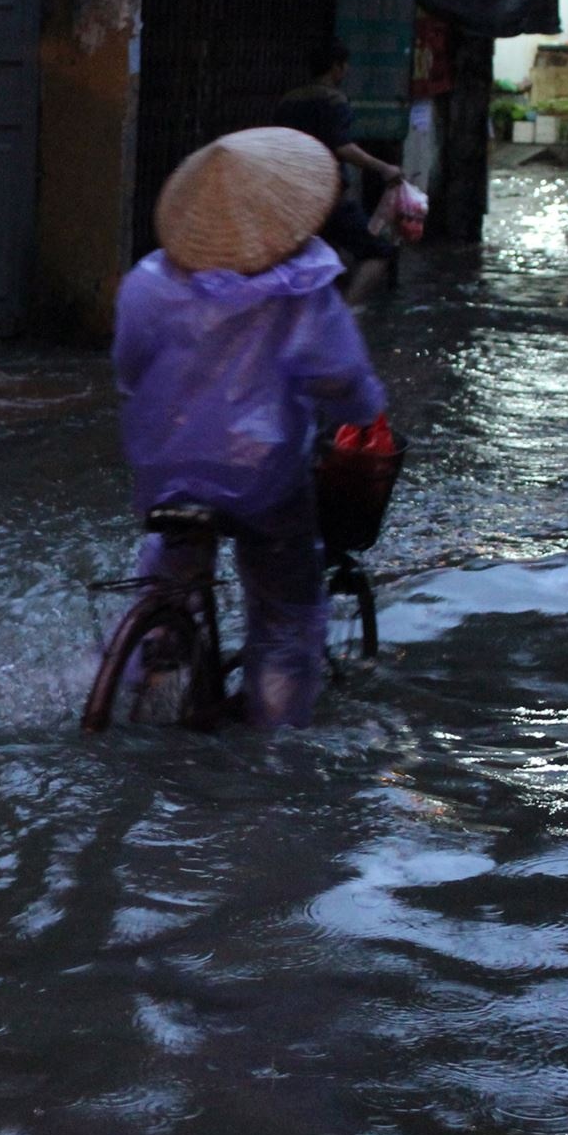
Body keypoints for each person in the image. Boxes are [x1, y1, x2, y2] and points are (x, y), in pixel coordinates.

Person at [112, 127, 386, 728]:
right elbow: (344, 378)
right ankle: (273, 738)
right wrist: (363, 415)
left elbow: (128, 369)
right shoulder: (302, 288)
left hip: (170, 471)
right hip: (264, 476)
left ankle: (147, 649)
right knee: (286, 606)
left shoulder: (149, 282)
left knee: (168, 554)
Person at [273, 38, 406, 303]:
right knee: (379, 251)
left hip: (291, 196)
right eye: (344, 66)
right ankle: (348, 311)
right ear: (336, 67)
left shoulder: (287, 101)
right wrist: (384, 168)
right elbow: (342, 146)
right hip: (327, 196)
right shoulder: (334, 100)